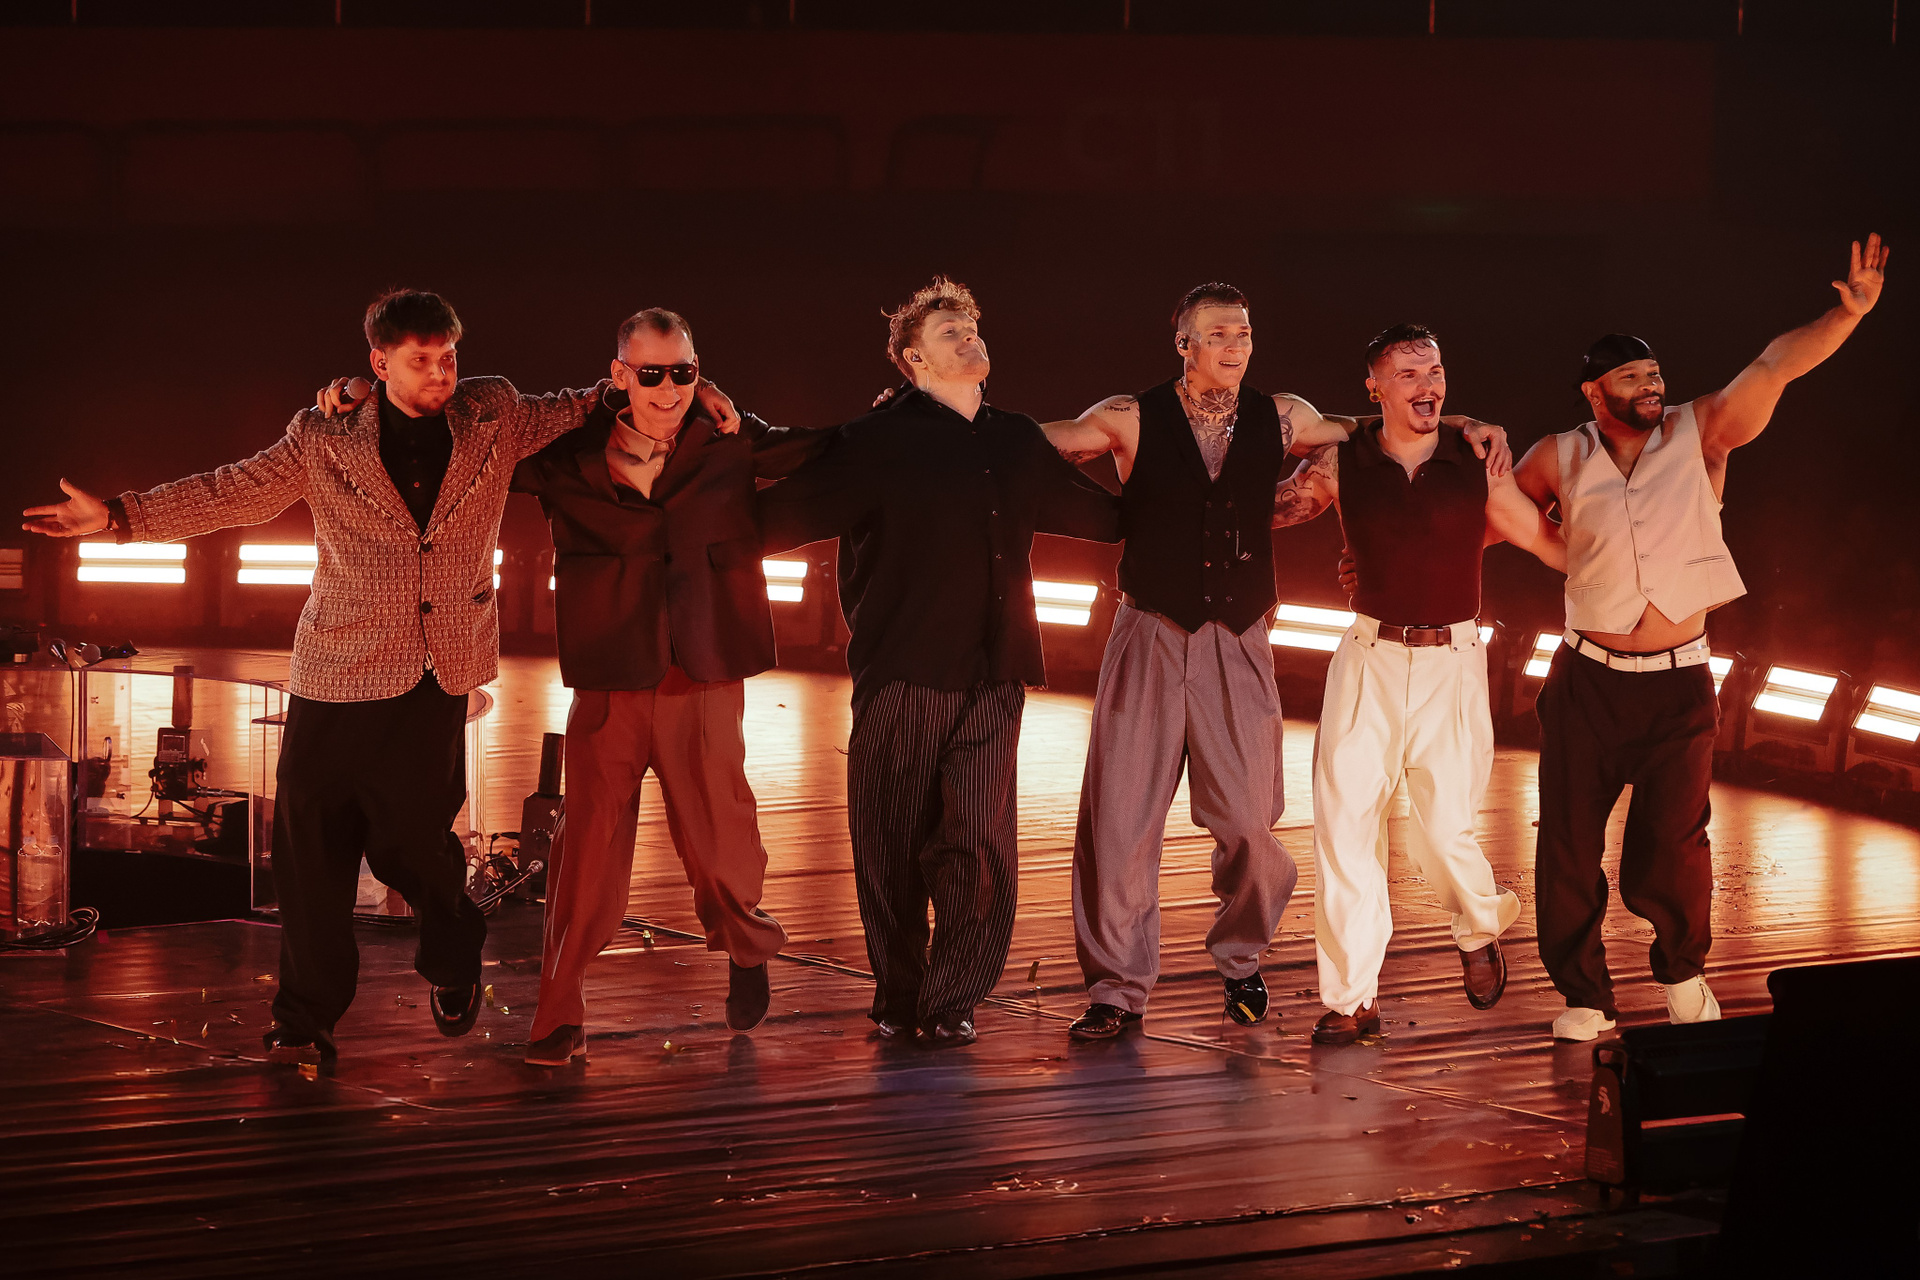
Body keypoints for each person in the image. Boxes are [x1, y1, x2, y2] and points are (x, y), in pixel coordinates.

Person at [23, 289, 734, 1068]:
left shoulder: (493, 413)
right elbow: (234, 489)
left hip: (438, 672)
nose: (441, 374)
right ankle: (304, 1019)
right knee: (311, 855)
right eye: (421, 361)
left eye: (449, 358)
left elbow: (591, 401)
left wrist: (696, 392)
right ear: (379, 363)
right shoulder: (324, 434)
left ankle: (453, 948)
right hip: (336, 669)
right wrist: (119, 517)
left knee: (412, 847)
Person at [1037, 284, 1511, 1040]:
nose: (1235, 344)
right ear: (1185, 344)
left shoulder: (1284, 416)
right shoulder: (1130, 416)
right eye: (1218, 333)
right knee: (1119, 823)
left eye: (1245, 332)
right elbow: (1047, 442)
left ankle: (1241, 957)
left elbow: (1381, 424)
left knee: (1252, 823)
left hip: (1239, 633)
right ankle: (1117, 991)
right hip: (1149, 627)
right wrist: (949, 419)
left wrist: (1466, 422)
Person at [1511, 234, 1891, 1042]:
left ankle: (1683, 973)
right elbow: (1495, 517)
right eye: (1633, 376)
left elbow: (1774, 366)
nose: (1652, 385)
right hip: (1586, 682)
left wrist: (1847, 315)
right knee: (1568, 845)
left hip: (1678, 680)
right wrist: (1546, 548)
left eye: (1655, 373)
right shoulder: (1558, 455)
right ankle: (1585, 996)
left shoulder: (1701, 430)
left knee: (1673, 843)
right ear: (1594, 390)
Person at [757, 276, 1120, 1049]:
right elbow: (775, 518)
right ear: (913, 359)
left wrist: (1156, 459)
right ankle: (900, 992)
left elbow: (1103, 517)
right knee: (890, 847)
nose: (969, 338)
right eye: (949, 331)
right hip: (902, 671)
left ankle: (953, 998)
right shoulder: (876, 441)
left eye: (972, 327)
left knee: (981, 846)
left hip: (995, 673)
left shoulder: (1016, 439)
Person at [504, 308, 829, 1066]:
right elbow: (473, 443)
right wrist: (361, 398)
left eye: (684, 371)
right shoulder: (567, 455)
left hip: (702, 673)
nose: (670, 387)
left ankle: (746, 947)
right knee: (587, 853)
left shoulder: (728, 439)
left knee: (720, 848)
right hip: (609, 677)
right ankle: (559, 1011)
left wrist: (911, 416)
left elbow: (826, 452)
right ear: (620, 375)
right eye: (651, 373)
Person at [1270, 323, 1564, 1045]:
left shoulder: (1475, 460)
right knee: (1345, 830)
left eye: (1434, 371)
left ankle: (1479, 924)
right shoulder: (1342, 461)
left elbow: (1542, 539)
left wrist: (1637, 563)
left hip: (1452, 662)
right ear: (1373, 387)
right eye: (1407, 373)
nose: (1427, 385)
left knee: (1444, 830)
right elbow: (1269, 510)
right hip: (1368, 656)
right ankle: (1351, 999)